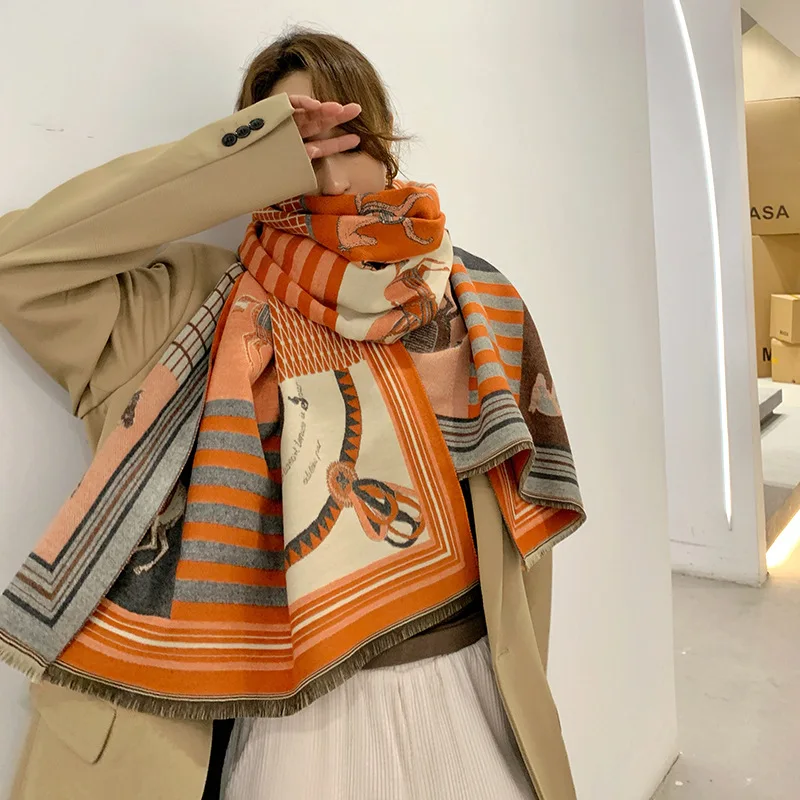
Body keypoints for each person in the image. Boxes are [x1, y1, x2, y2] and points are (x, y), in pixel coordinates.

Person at [0, 28, 586, 800]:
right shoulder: (192, 307)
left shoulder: (476, 303)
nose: (325, 171)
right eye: (299, 148)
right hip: (293, 732)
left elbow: (523, 545)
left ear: (385, 139)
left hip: (465, 698)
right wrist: (244, 154)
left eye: (344, 136)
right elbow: (20, 266)